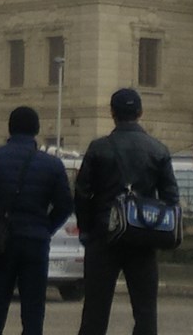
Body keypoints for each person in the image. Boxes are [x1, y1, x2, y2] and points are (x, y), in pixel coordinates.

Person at [74, 88, 178, 335]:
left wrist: (87, 230)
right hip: (143, 237)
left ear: (112, 113)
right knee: (145, 312)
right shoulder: (158, 150)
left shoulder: (99, 148)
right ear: (140, 112)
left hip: (103, 236)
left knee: (95, 313)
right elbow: (171, 198)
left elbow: (81, 193)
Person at [0, 106, 72, 335]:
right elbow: (65, 205)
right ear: (37, 130)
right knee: (33, 311)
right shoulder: (52, 165)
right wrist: (46, 227)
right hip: (36, 242)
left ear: (9, 129)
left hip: (1, 242)